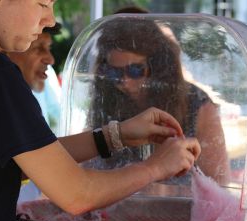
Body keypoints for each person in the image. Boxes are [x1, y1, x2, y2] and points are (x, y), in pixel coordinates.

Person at [0, 1, 201, 221]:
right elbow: (76, 194)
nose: (50, 19)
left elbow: (21, 161)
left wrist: (115, 136)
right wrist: (156, 166)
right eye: (42, 4)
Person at [88, 16, 230, 185]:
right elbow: (91, 166)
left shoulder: (196, 104)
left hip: (184, 208)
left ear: (157, 66)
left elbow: (218, 182)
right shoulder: (108, 101)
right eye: (114, 73)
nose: (125, 82)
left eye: (135, 70)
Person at [6, 23, 61, 202]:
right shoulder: (2, 101)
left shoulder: (23, 98)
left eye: (49, 48)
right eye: (38, 48)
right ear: (5, 51)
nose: (50, 59)